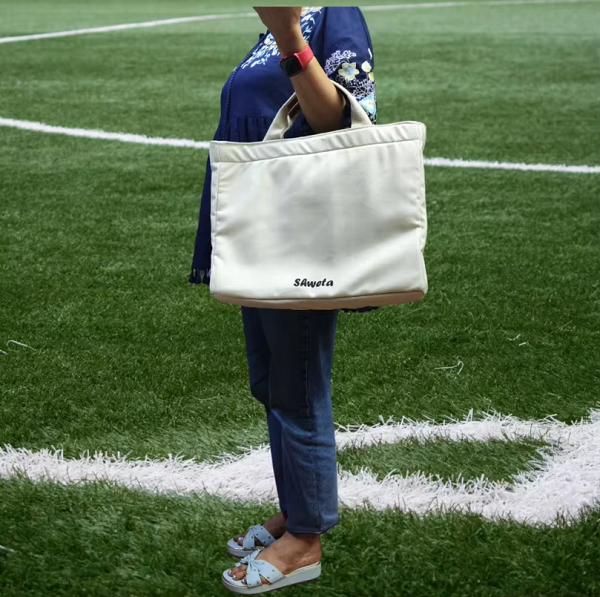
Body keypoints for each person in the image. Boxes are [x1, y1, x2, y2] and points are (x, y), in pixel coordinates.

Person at [189, 6, 377, 593]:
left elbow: (343, 119)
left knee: (296, 383)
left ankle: (305, 540)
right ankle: (297, 508)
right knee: (272, 380)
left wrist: (289, 35)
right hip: (260, 224)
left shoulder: (333, 16)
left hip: (298, 231)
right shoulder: (284, 16)